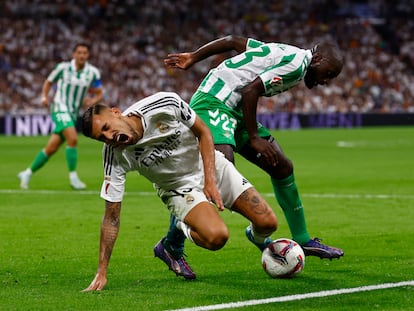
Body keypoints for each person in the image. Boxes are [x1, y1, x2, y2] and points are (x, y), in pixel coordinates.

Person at [163, 35, 344, 268]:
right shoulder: (297, 65)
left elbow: (233, 41)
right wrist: (255, 138)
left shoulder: (285, 52)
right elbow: (251, 90)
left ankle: (302, 240)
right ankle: (172, 243)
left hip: (235, 109)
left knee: (282, 167)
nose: (326, 81)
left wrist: (194, 57)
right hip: (214, 102)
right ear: (317, 57)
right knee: (218, 175)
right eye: (328, 73)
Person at [81, 92, 278, 290]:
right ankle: (180, 226)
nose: (109, 137)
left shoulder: (163, 104)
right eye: (102, 138)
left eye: (106, 128)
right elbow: (111, 217)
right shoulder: (114, 154)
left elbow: (204, 133)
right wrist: (101, 272)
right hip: (178, 189)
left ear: (116, 112)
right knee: (217, 238)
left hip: (210, 164)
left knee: (268, 223)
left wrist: (210, 180)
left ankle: (257, 237)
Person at [18, 43, 103, 190]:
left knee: (51, 149)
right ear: (74, 54)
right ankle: (73, 177)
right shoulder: (62, 68)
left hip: (73, 112)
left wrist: (92, 101)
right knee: (73, 138)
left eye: (85, 53)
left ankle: (27, 173)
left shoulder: (93, 72)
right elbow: (48, 82)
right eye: (79, 52)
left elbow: (99, 91)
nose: (82, 55)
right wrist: (44, 97)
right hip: (59, 107)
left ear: (88, 55)